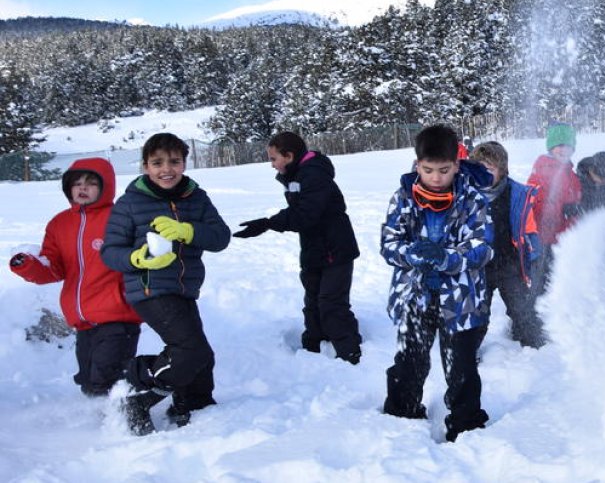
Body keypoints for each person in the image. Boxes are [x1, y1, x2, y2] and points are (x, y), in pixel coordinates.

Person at [102, 133, 231, 435]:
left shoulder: (196, 198)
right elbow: (110, 251)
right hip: (149, 289)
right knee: (191, 351)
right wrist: (138, 259)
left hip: (184, 288)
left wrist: (187, 230)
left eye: (174, 161)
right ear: (145, 166)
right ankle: (137, 383)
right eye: (157, 162)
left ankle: (194, 406)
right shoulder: (131, 203)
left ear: (185, 163)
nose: (166, 169)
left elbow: (220, 237)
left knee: (201, 355)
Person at [380, 124, 493, 442]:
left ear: (457, 164)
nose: (436, 177)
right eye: (428, 170)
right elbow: (389, 243)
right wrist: (413, 255)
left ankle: (466, 423)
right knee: (409, 360)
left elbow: (482, 247)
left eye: (444, 170)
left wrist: (447, 259)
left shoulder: (472, 199)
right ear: (417, 165)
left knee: (461, 366)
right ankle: (402, 415)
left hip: (461, 300)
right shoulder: (403, 196)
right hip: (415, 295)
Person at [9, 158, 141, 397]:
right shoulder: (60, 223)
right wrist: (28, 266)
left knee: (108, 376)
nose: (82, 188)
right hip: (82, 320)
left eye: (91, 183)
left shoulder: (119, 217)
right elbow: (53, 268)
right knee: (88, 381)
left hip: (118, 315)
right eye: (76, 183)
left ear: (106, 186)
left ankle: (129, 421)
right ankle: (103, 421)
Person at [231, 131, 362, 364]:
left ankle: (349, 352)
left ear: (289, 156)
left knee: (331, 303)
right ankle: (312, 347)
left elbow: (306, 214)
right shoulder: (296, 175)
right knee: (312, 299)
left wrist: (269, 223)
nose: (271, 165)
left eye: (273, 159)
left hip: (335, 248)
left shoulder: (314, 175)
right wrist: (270, 223)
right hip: (314, 248)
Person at [470, 141, 545, 348]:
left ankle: (532, 343)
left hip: (508, 263)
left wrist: (535, 254)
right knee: (476, 312)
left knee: (521, 308)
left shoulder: (516, 194)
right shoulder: (465, 195)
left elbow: (528, 228)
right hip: (478, 266)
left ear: (502, 171)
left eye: (490, 168)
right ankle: (467, 351)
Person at [526, 122, 582, 290]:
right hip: (543, 237)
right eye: (559, 146)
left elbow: (574, 199)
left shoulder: (572, 175)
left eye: (568, 146)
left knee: (560, 277)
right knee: (541, 279)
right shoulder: (543, 169)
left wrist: (573, 210)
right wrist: (553, 214)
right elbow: (535, 200)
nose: (564, 150)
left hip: (564, 236)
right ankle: (532, 312)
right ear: (551, 148)